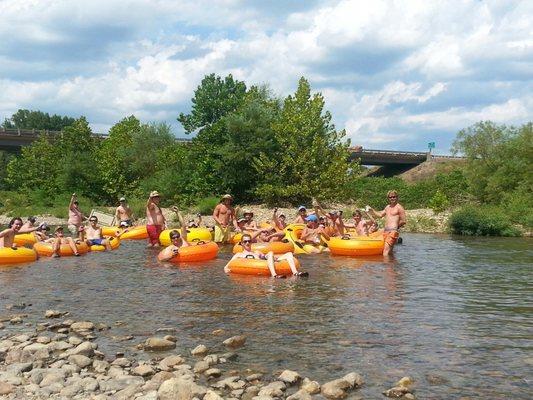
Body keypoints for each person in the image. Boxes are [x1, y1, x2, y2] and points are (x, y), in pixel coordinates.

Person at [224, 234, 307, 278]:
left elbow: (265, 258)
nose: (247, 243)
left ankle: (295, 273)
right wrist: (228, 271)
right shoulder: (239, 255)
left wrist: (273, 257)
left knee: (288, 254)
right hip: (254, 269)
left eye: (249, 241)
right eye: (245, 242)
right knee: (270, 253)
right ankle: (274, 275)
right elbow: (226, 266)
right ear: (242, 243)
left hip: (263, 262)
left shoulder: (256, 252)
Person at [368, 190, 406, 256]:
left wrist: (396, 227)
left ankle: (386, 266)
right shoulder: (387, 207)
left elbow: (403, 221)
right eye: (390, 197)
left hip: (393, 232)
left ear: (397, 197)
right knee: (390, 252)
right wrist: (372, 210)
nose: (392, 198)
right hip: (386, 232)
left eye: (394, 197)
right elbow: (380, 215)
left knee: (385, 252)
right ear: (388, 198)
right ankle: (393, 265)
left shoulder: (399, 207)